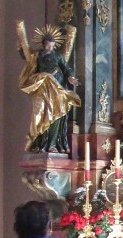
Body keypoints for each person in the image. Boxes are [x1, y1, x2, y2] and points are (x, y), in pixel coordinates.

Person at [16, 21, 80, 152]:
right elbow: (27, 55)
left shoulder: (58, 56)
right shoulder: (37, 55)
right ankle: (38, 142)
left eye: (51, 46)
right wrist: (20, 46)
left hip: (57, 87)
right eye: (47, 45)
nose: (49, 48)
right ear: (43, 44)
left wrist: (71, 78)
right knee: (39, 113)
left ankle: (52, 144)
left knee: (56, 114)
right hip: (42, 86)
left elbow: (66, 68)